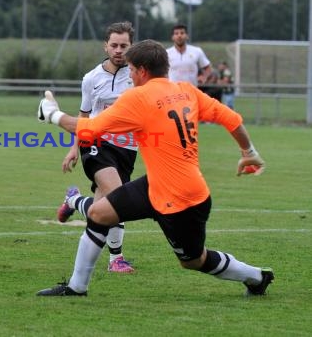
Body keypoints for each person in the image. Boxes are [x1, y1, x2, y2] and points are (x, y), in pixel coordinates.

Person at [36, 39, 273, 297]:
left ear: (143, 71)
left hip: (181, 199)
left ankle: (256, 277)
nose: (130, 76)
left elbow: (89, 128)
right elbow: (231, 119)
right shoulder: (186, 90)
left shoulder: (139, 97)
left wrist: (52, 114)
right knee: (98, 213)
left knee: (193, 260)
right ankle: (76, 287)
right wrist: (249, 152)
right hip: (157, 185)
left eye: (132, 70)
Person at [56, 21, 137, 273]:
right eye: (114, 45)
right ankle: (116, 259)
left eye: (124, 45)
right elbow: (83, 117)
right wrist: (73, 149)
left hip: (127, 148)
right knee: (118, 196)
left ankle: (74, 201)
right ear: (106, 45)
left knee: (105, 207)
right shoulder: (91, 78)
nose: (119, 50)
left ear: (131, 46)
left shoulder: (138, 77)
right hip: (96, 143)